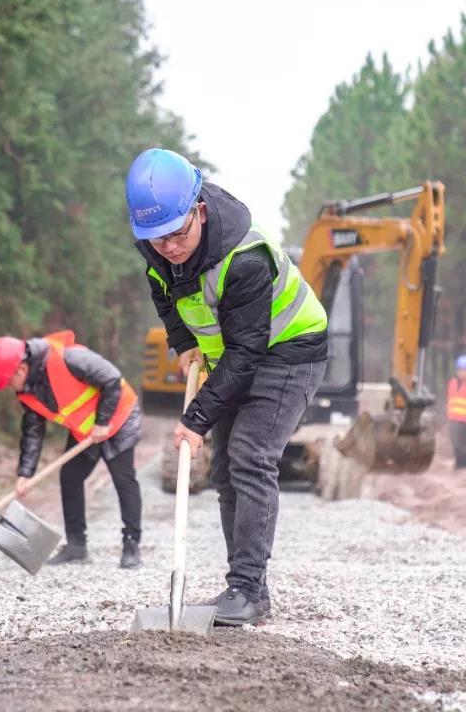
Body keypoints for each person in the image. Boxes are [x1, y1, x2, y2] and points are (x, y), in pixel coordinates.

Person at [126, 148, 329, 626]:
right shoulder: (155, 244)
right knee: (224, 470)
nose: (170, 247)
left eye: (178, 234)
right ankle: (247, 589)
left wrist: (195, 420)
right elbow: (164, 293)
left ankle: (247, 589)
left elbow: (246, 353)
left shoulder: (245, 258)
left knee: (251, 455)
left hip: (289, 349)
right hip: (234, 354)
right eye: (157, 239)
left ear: (198, 210)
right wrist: (182, 345)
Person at [0, 330, 143, 568]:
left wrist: (102, 421)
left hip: (118, 418)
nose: (7, 387)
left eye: (8, 381)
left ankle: (131, 546)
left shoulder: (69, 358)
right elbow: (33, 432)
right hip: (86, 431)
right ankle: (77, 546)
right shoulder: (27, 390)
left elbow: (111, 380)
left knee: (123, 479)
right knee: (70, 477)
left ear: (21, 369)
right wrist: (25, 474)